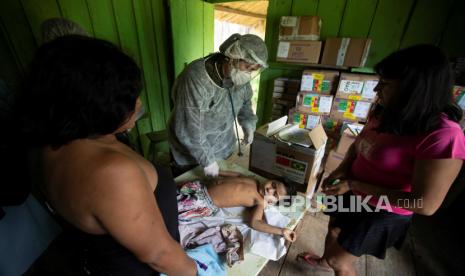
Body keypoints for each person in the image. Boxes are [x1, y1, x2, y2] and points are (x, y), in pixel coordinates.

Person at [16, 35, 196, 275]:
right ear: (93, 107)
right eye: (127, 99)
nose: (138, 104)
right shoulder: (111, 174)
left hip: (97, 259)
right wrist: (195, 271)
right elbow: (159, 254)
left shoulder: (44, 144)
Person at [296, 44, 465, 276]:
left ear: (414, 89)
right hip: (352, 191)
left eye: (385, 84)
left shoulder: (443, 136)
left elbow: (425, 204)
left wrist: (354, 184)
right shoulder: (388, 112)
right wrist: (343, 170)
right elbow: (359, 144)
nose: (376, 89)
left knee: (340, 261)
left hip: (382, 210)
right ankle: (326, 261)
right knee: (334, 230)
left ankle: (333, 263)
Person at [168, 33, 268, 177]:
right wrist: (207, 160)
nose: (248, 73)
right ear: (232, 57)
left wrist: (248, 124)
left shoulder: (240, 79)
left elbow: (245, 104)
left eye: (253, 70)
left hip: (222, 147)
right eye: (247, 66)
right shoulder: (197, 77)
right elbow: (188, 126)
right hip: (190, 153)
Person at [177, 171, 298, 242]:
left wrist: (281, 231)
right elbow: (238, 175)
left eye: (274, 194)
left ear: (272, 202)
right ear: (272, 179)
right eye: (273, 184)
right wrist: (218, 171)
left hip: (204, 201)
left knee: (173, 206)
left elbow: (255, 222)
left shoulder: (260, 201)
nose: (269, 189)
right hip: (200, 185)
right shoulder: (254, 181)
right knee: (173, 189)